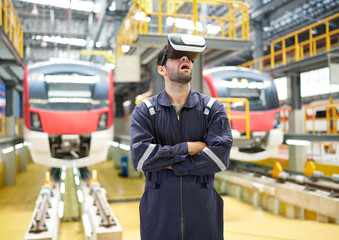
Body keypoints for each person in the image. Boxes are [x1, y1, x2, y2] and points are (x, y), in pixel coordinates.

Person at [130, 34, 233, 240]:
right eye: (177, 56)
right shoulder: (145, 110)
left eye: (188, 57)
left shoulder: (212, 109)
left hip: (203, 211)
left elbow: (219, 159)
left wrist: (169, 163)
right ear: (162, 69)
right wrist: (187, 148)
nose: (185, 59)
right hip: (159, 212)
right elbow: (141, 159)